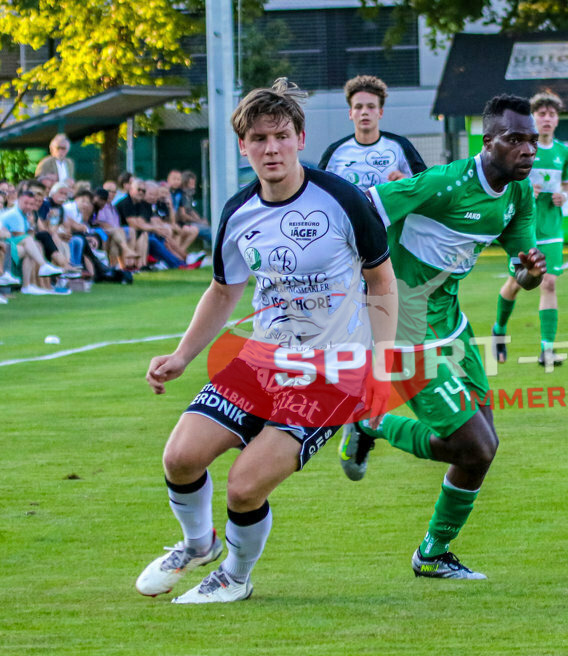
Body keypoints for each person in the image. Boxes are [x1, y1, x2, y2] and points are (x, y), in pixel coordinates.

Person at [135, 78, 396, 603]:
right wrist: (183, 355)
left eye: (281, 136)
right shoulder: (238, 212)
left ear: (300, 138)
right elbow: (222, 290)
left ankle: (235, 576)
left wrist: (381, 368)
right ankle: (198, 544)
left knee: (244, 485)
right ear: (243, 146)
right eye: (258, 138)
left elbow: (382, 282)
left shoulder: (343, 199)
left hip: (332, 373)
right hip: (262, 361)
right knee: (180, 457)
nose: (271, 148)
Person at [339, 94, 546, 580]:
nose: (528, 150)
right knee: (475, 447)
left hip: (450, 323)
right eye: (516, 140)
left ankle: (433, 553)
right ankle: (370, 423)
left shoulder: (518, 195)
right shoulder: (444, 183)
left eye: (533, 141)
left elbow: (521, 269)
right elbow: (364, 210)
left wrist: (531, 274)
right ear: (488, 141)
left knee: (482, 448)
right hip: (404, 328)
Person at [491, 91, 568, 367]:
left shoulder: (563, 152)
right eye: (542, 114)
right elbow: (504, 183)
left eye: (552, 114)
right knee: (517, 283)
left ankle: (547, 350)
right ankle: (499, 329)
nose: (547, 118)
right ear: (533, 118)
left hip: (552, 226)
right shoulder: (520, 149)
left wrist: (564, 195)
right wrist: (524, 189)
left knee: (548, 282)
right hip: (523, 227)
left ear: (557, 119)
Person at [318, 75, 427, 190]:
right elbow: (319, 191)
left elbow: (425, 187)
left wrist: (406, 184)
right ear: (350, 113)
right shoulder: (335, 152)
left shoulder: (400, 146)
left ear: (380, 112)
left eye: (371, 107)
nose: (364, 112)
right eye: (358, 107)